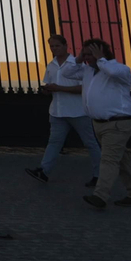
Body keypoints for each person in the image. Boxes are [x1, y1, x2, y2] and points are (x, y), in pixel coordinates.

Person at [62, 38, 131, 210]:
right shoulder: (87, 71)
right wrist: (78, 59)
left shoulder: (120, 69)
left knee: (108, 159)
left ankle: (100, 196)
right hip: (99, 124)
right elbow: (66, 73)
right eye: (85, 54)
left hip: (118, 123)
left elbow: (112, 72)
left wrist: (100, 59)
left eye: (90, 54)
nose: (87, 58)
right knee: (120, 161)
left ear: (102, 53)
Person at [25, 35, 101, 188]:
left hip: (77, 111)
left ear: (66, 46)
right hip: (57, 111)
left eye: (57, 46)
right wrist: (47, 90)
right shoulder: (51, 65)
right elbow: (49, 84)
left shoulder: (77, 64)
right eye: (52, 46)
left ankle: (99, 175)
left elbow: (84, 88)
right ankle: (44, 171)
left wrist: (59, 88)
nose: (54, 49)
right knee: (54, 142)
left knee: (90, 143)